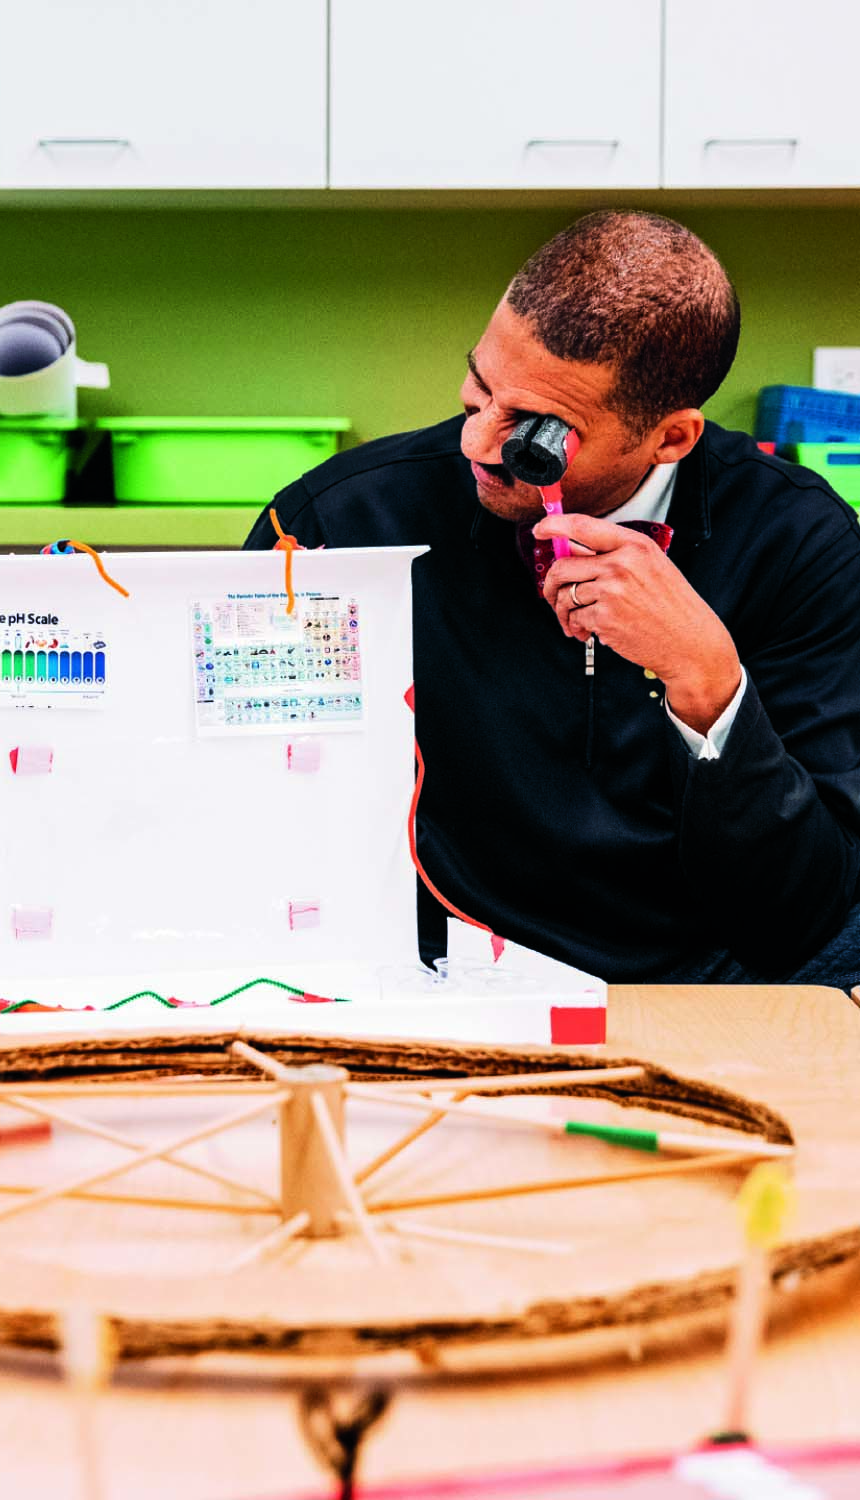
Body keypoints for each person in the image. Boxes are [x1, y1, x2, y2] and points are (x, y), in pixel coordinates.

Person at [247, 209, 860, 989]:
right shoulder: (338, 523)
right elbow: (248, 816)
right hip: (438, 966)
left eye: (534, 432)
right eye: (477, 396)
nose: (476, 444)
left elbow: (805, 912)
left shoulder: (801, 542)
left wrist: (709, 687)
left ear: (671, 439)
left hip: (707, 968)